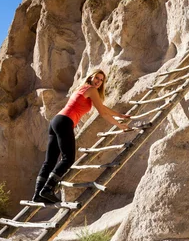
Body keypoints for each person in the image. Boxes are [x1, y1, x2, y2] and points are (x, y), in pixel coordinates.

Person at [32, 69, 131, 204]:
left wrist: (119, 115)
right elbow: (103, 113)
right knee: (68, 159)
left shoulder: (82, 88)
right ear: (91, 77)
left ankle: (38, 194)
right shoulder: (91, 90)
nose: (99, 82)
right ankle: (48, 189)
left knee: (49, 161)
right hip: (65, 122)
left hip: (56, 121)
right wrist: (119, 125)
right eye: (97, 78)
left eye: (101, 80)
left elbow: (102, 107)